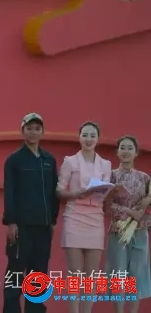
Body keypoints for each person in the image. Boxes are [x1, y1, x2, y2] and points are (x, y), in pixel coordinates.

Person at [2, 113, 60, 313]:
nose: (33, 132)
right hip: (22, 227)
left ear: (42, 132)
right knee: (16, 274)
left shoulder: (49, 160)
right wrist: (11, 223)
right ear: (22, 131)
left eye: (37, 129)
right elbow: (9, 192)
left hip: (43, 227)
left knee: (38, 276)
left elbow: (54, 192)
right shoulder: (14, 160)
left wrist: (52, 220)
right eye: (29, 128)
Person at [56, 122, 113, 313]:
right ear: (79, 137)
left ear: (98, 139)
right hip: (74, 217)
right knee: (75, 274)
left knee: (91, 276)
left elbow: (105, 193)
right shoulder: (70, 162)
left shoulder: (105, 164)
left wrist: (112, 193)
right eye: (85, 135)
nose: (89, 139)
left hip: (96, 219)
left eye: (92, 136)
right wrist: (76, 194)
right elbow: (59, 190)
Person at [104, 136, 151, 313]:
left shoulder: (145, 178)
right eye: (122, 147)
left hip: (139, 231)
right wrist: (130, 212)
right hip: (118, 230)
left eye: (130, 148)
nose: (125, 151)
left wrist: (145, 207)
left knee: (136, 274)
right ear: (117, 152)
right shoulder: (111, 176)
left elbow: (148, 206)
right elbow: (106, 205)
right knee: (118, 274)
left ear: (136, 153)